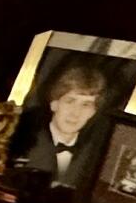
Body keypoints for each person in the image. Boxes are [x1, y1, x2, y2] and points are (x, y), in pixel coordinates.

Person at [11, 60, 115, 190]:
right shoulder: (22, 140)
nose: (76, 113)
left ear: (93, 112)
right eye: (70, 101)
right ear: (54, 104)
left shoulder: (94, 160)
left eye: (86, 105)